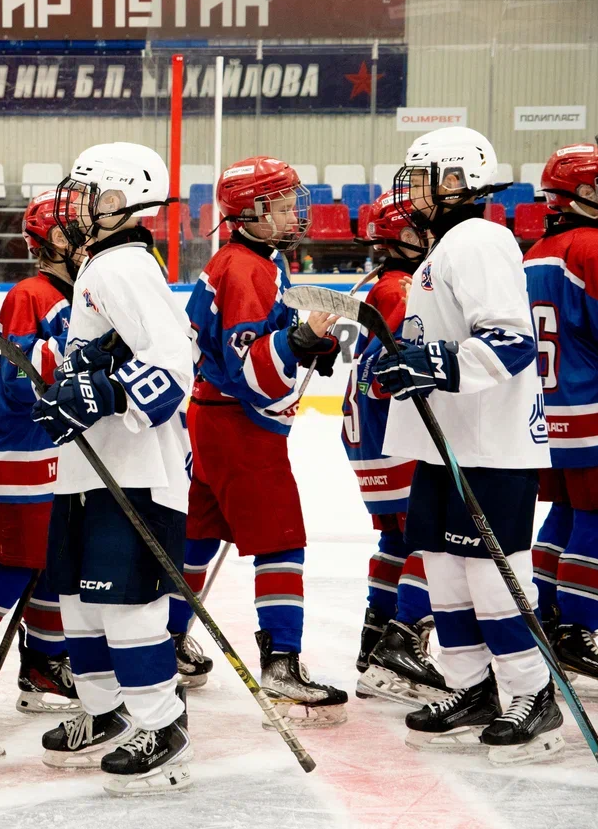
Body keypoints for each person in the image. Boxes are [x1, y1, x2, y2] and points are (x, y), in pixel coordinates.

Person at [375, 126, 559, 765]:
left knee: (491, 579)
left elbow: (509, 343)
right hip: (447, 443)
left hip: (491, 448)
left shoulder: (477, 238)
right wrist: (399, 362)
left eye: (423, 176)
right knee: (446, 574)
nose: (412, 189)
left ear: (454, 182)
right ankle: (474, 688)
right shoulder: (445, 246)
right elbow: (438, 339)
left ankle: (532, 695)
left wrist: (433, 364)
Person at [28, 142, 193, 795]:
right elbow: (100, 361)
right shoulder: (102, 264)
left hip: (132, 473)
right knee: (77, 605)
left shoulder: (123, 265)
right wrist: (74, 391)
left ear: (120, 198)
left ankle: (163, 721)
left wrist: (102, 394)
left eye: (91, 191)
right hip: (88, 474)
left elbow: (173, 366)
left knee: (125, 610)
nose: (80, 203)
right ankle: (105, 712)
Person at [182, 156, 349, 728]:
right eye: (279, 203)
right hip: (238, 425)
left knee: (199, 535)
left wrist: (305, 344)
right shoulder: (246, 270)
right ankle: (281, 662)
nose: (291, 211)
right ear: (250, 211)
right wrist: (301, 339)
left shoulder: (248, 261)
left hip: (211, 419)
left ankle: (165, 640)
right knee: (282, 541)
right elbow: (253, 371)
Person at [0, 189, 80, 713]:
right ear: (54, 238)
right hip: (20, 453)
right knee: (10, 561)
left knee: (55, 560)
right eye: (78, 228)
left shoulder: (71, 295)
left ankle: (45, 664)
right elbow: (17, 383)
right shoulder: (31, 294)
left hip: (52, 452)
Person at [347, 191, 446, 707]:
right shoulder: (405, 289)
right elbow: (397, 371)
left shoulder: (382, 286)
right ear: (405, 237)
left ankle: (375, 637)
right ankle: (401, 643)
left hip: (367, 440)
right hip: (395, 437)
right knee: (430, 541)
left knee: (396, 542)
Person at [523, 143, 598, 694]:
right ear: (578, 192)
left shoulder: (532, 254)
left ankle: (549, 617)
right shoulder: (595, 248)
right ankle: (577, 628)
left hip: (547, 415)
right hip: (596, 408)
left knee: (568, 511)